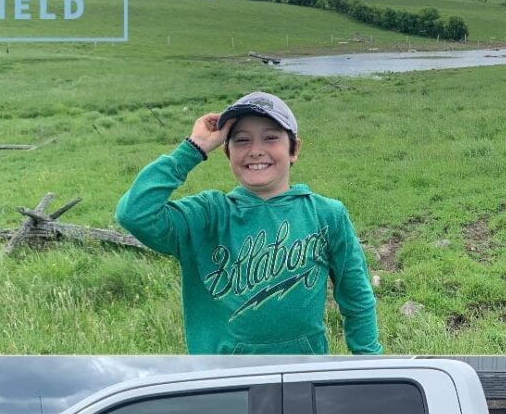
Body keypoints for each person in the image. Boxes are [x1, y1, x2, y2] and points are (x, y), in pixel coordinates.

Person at [116, 91, 382, 355]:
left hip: (302, 377)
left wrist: (371, 367)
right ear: (227, 152)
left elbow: (356, 297)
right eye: (242, 141)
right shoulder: (207, 215)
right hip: (224, 382)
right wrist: (193, 148)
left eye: (271, 138)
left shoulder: (327, 214)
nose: (256, 151)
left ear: (294, 149)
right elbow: (135, 213)